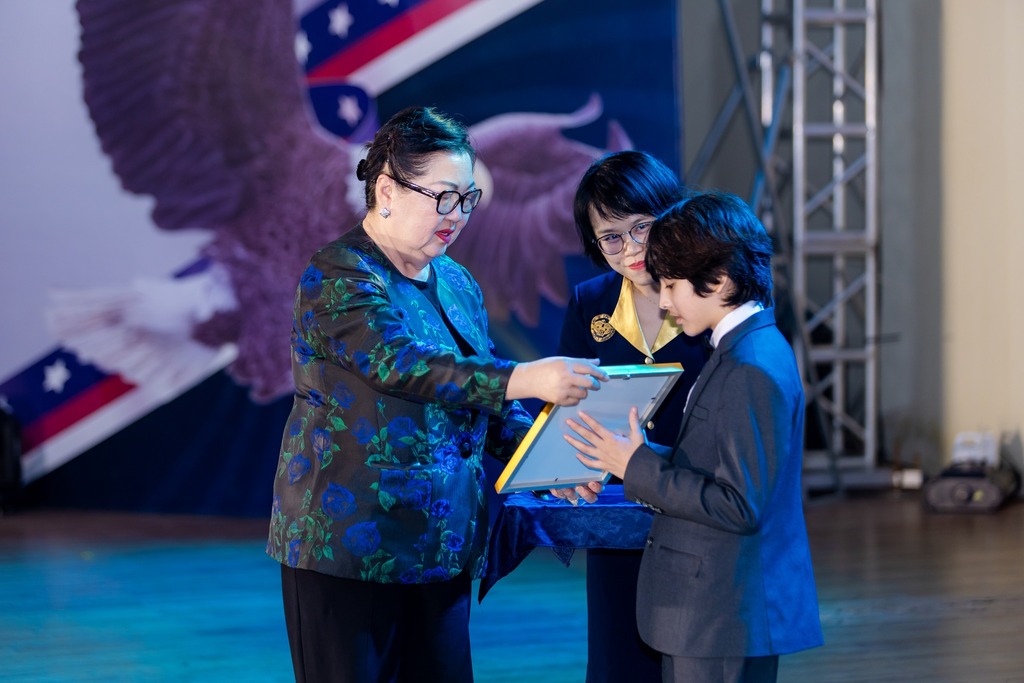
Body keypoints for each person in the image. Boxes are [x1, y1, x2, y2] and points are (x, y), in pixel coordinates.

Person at [266, 105, 608, 683]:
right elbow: (400, 364)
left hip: (441, 544)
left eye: (468, 199)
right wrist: (526, 377)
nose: (458, 216)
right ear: (387, 191)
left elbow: (481, 399)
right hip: (348, 546)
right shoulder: (340, 273)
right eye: (443, 197)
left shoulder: (456, 281)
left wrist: (547, 461)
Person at [563, 192, 824, 683]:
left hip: (722, 613)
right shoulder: (742, 348)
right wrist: (641, 453)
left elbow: (739, 504)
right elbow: (718, 464)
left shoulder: (750, 366)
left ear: (719, 280)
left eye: (671, 285)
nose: (663, 302)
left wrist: (636, 467)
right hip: (716, 611)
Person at [554, 151, 709, 683]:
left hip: (696, 508)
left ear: (673, 214)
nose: (632, 248)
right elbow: (566, 410)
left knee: (693, 657)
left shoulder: (712, 295)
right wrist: (564, 469)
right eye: (611, 237)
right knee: (618, 658)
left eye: (643, 225)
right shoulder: (589, 303)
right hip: (617, 515)